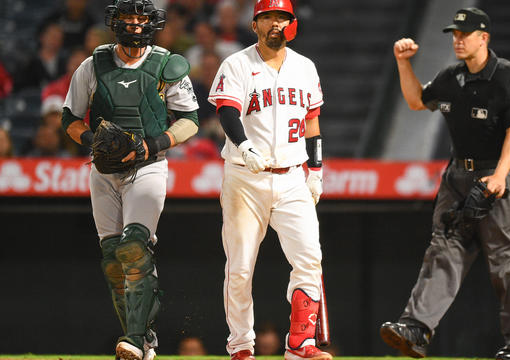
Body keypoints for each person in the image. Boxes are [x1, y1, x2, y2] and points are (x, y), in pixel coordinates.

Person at [380, 8, 510, 360]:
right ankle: (417, 329)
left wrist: (500, 176)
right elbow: (415, 101)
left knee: (507, 264)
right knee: (443, 251)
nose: (457, 39)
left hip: (493, 174)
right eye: (454, 34)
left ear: (484, 37)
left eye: (464, 34)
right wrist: (403, 63)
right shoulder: (450, 77)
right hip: (457, 176)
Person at [60, 1, 199, 359]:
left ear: (152, 24)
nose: (135, 25)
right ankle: (143, 338)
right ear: (115, 22)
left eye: (141, 19)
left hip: (149, 165)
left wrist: (149, 144)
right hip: (103, 169)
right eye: (128, 19)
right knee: (112, 260)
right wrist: (94, 142)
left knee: (134, 248)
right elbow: (70, 118)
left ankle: (135, 340)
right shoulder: (93, 64)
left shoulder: (167, 63)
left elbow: (189, 119)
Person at [207, 1, 329, 360]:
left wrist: (317, 170)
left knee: (309, 258)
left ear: (291, 24)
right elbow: (227, 110)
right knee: (241, 267)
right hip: (246, 177)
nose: (276, 24)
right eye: (269, 17)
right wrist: (243, 146)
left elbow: (312, 123)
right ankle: (242, 346)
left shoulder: (305, 67)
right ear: (255, 23)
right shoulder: (238, 63)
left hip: (293, 177)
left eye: (283, 18)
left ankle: (300, 343)